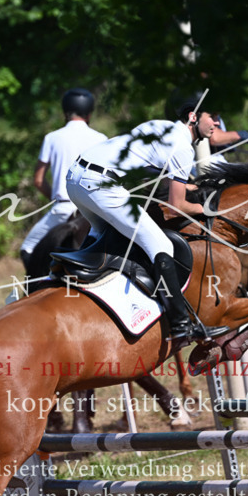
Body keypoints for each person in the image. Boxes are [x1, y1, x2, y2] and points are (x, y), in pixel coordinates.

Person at [65, 95, 227, 345]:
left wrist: (190, 187)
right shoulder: (183, 147)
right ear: (193, 117)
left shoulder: (160, 127)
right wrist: (206, 209)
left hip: (75, 178)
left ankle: (77, 284)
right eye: (212, 117)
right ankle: (181, 325)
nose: (216, 123)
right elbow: (176, 207)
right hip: (99, 185)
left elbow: (154, 172)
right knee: (161, 246)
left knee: (101, 233)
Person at [19, 88, 107, 270]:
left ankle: (35, 287)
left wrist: (55, 197)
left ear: (65, 112)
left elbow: (38, 180)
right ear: (89, 113)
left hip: (63, 207)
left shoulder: (52, 138)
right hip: (94, 210)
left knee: (27, 248)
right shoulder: (102, 138)